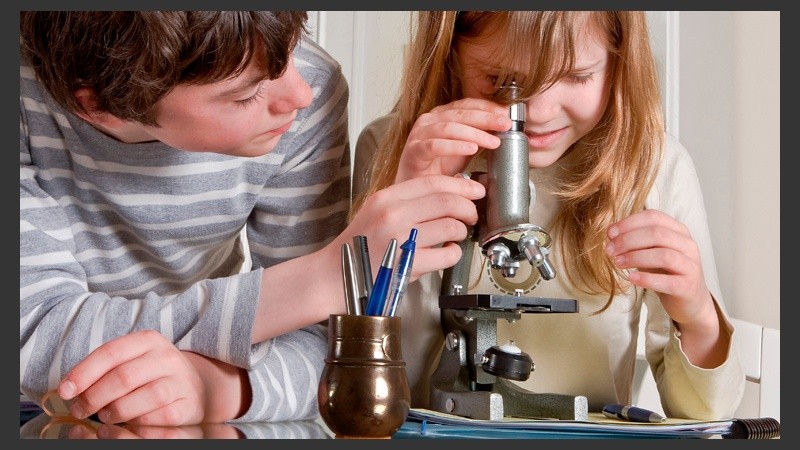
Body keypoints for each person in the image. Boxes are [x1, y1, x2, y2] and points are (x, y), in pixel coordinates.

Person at [20, 11, 485, 427]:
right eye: (246, 94)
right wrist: (320, 280)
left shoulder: (311, 87)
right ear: (96, 105)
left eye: (291, 49)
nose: (298, 93)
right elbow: (32, 337)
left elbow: (327, 355)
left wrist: (220, 389)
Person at [353, 11, 745, 420]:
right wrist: (406, 213)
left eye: (576, 76)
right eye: (498, 78)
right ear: (451, 54)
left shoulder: (655, 169)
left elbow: (706, 412)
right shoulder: (391, 150)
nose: (536, 111)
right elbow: (360, 382)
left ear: (619, 61)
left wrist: (697, 315)